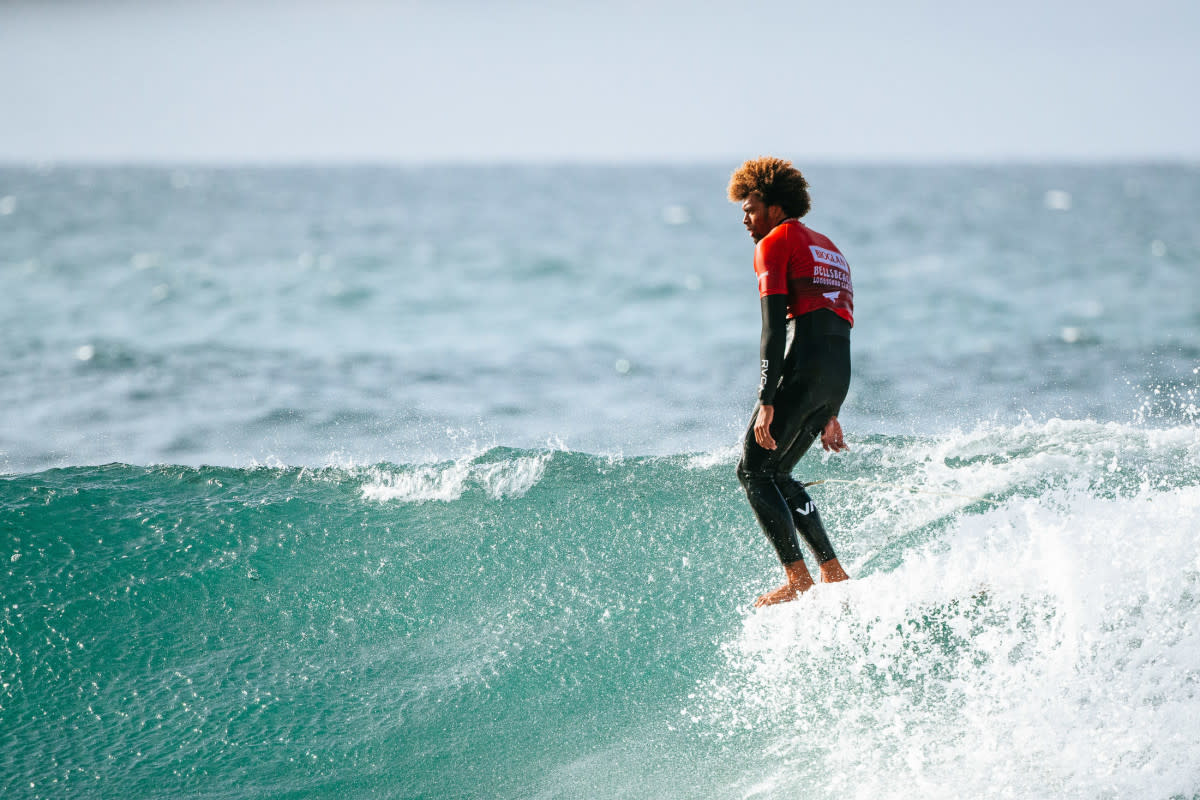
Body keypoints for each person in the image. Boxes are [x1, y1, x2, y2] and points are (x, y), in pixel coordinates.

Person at [728, 157, 854, 607]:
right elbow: (836, 324)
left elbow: (773, 329)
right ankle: (831, 570)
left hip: (804, 365)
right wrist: (832, 407)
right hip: (837, 372)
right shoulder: (827, 247)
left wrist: (767, 399)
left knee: (753, 470)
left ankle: (798, 577)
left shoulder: (774, 242)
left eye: (751, 207)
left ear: (776, 206)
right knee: (778, 471)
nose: (745, 218)